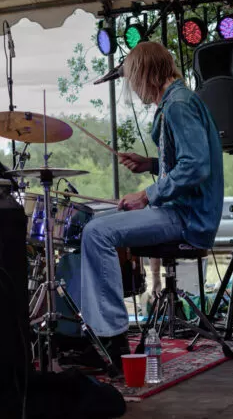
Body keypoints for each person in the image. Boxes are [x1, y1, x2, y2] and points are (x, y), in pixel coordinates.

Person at [73, 41, 224, 369]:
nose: (133, 87)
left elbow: (197, 166)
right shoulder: (179, 100)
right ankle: (104, 335)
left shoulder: (178, 105)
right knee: (97, 226)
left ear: (146, 74)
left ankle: (110, 341)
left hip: (186, 216)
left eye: (133, 78)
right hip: (183, 211)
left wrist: (145, 195)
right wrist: (150, 164)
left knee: (97, 231)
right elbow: (186, 162)